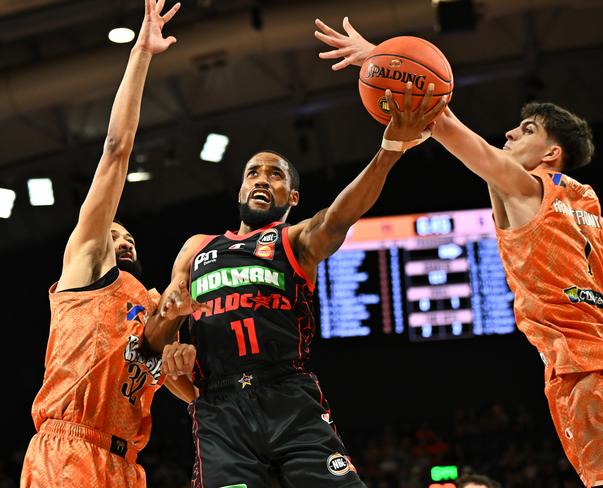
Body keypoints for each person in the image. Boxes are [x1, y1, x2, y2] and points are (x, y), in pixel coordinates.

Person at [314, 18, 603, 488]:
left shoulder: (526, 187)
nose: (510, 135)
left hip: (589, 376)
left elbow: (443, 121)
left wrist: (381, 59)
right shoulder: (588, 207)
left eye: (526, 130)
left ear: (551, 154)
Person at [145, 83, 445, 486]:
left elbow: (339, 217)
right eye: (253, 173)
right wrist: (171, 334)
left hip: (287, 394)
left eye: (276, 175)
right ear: (240, 191)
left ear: (294, 196)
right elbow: (154, 339)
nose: (263, 180)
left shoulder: (294, 241)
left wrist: (389, 150)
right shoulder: (197, 247)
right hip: (219, 405)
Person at [20, 2, 198, 487]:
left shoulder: (154, 304)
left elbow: (180, 390)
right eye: (112, 232)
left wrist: (188, 364)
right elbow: (116, 150)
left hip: (125, 466)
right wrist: (141, 53)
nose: (121, 238)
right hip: (67, 450)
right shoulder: (86, 262)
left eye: (128, 235)